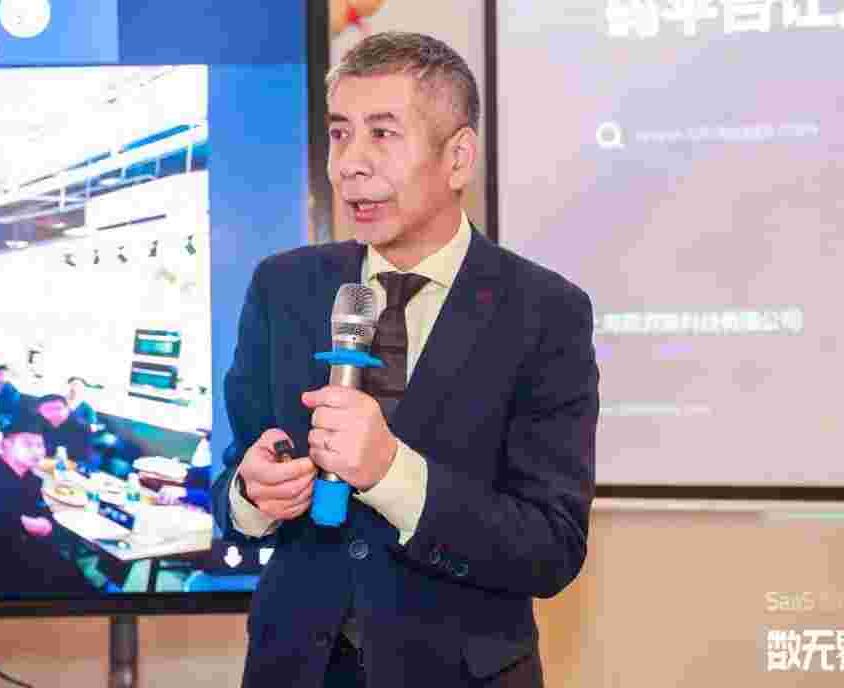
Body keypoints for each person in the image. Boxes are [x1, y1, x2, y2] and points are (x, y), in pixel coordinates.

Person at [211, 33, 599, 688]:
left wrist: (391, 472)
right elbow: (233, 480)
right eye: (339, 134)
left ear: (458, 157)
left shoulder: (544, 311)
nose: (349, 165)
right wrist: (252, 495)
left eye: (383, 135)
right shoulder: (283, 287)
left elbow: (551, 547)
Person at [0, 409, 97, 596]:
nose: (36, 451)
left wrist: (38, 524)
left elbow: (42, 516)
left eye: (40, 445)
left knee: (72, 575)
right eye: (27, 444)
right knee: (69, 580)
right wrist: (29, 524)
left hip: (10, 552)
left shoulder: (29, 479)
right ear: (4, 445)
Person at [36, 394, 98, 470]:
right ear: (40, 411)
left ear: (67, 409)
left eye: (58, 408)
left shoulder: (81, 428)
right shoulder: (40, 422)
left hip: (81, 463)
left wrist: (52, 463)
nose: (54, 413)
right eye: (48, 409)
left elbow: (78, 461)